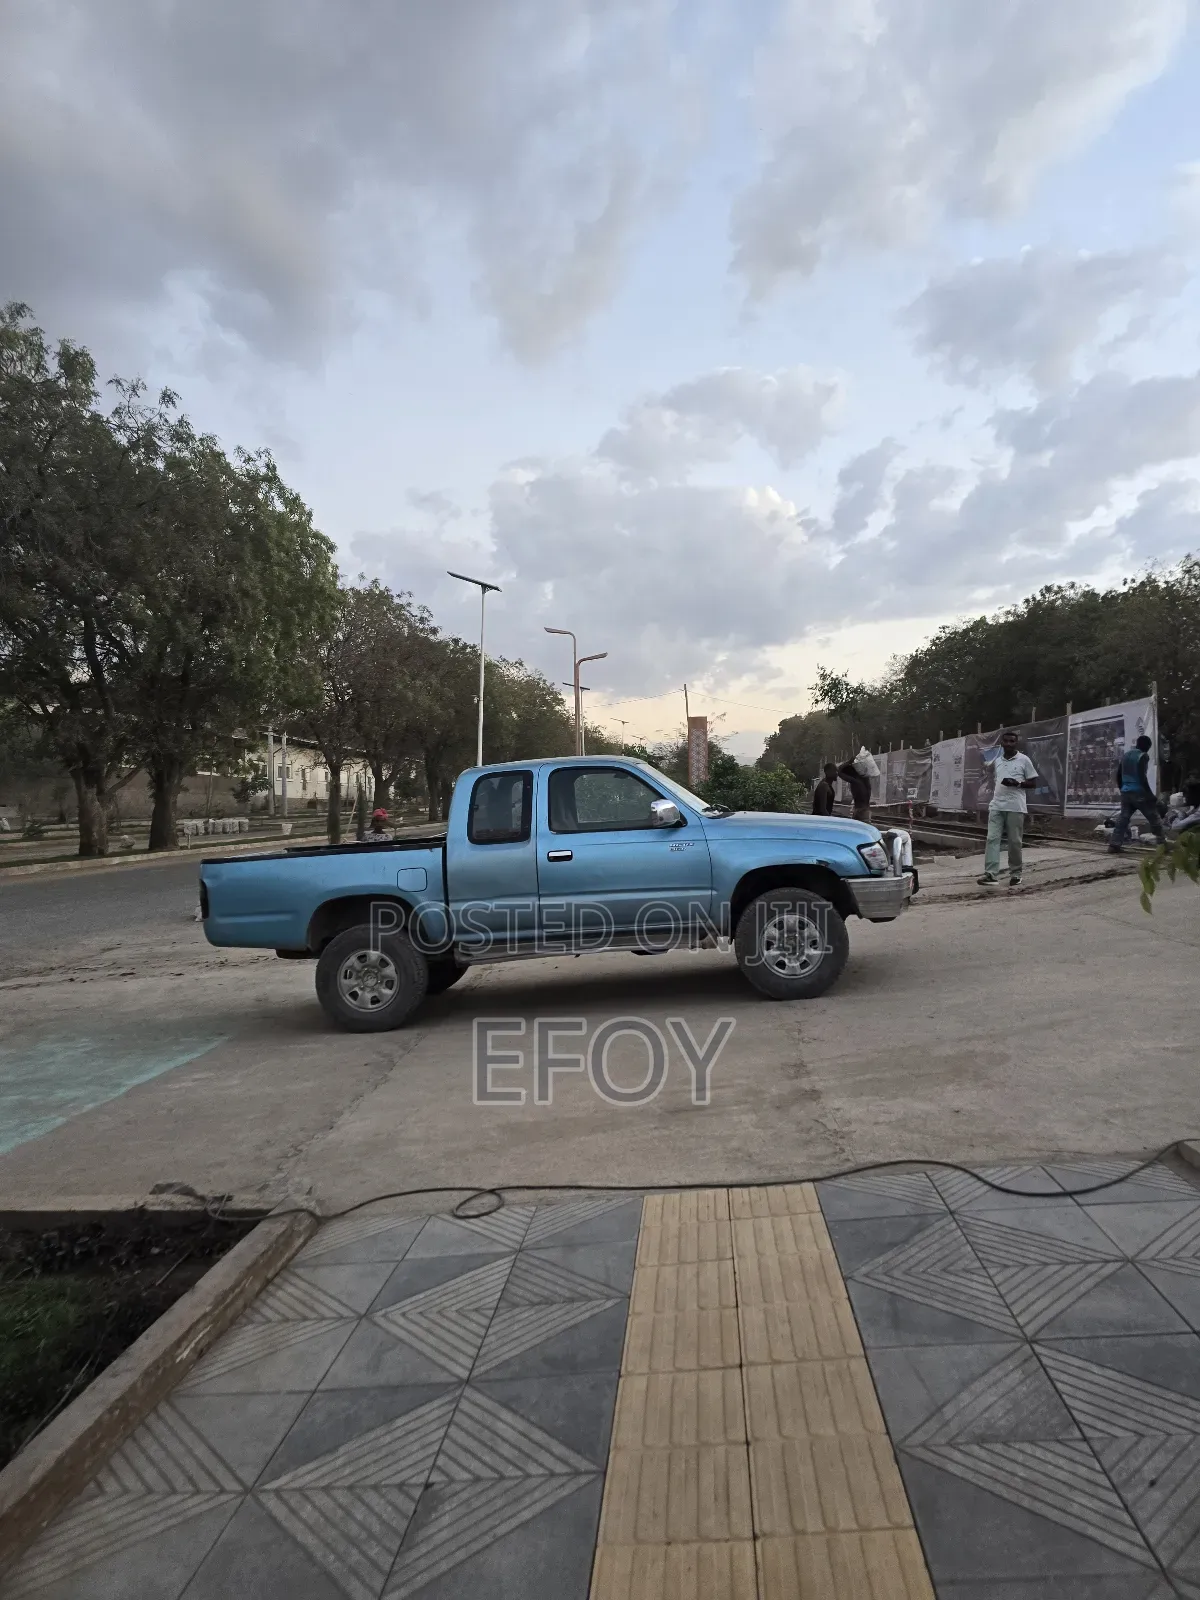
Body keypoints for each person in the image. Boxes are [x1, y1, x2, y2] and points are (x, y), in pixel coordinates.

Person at [977, 729, 1038, 887]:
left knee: (1014, 841)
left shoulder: (1024, 760)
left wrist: (1017, 783)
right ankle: (991, 875)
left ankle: (1016, 874)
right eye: (1006, 741)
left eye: (1012, 741)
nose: (1009, 744)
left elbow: (1033, 783)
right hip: (996, 805)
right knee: (992, 839)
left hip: (1015, 806)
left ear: (1016, 743)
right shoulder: (998, 761)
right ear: (1002, 743)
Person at [1108, 735, 1166, 852]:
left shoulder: (1126, 755)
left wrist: (1122, 788)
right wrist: (1150, 795)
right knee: (1154, 817)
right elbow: (1142, 777)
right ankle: (1162, 845)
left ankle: (1114, 845)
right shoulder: (1143, 756)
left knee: (1123, 819)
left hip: (1126, 792)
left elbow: (1118, 774)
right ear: (1147, 746)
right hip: (1139, 793)